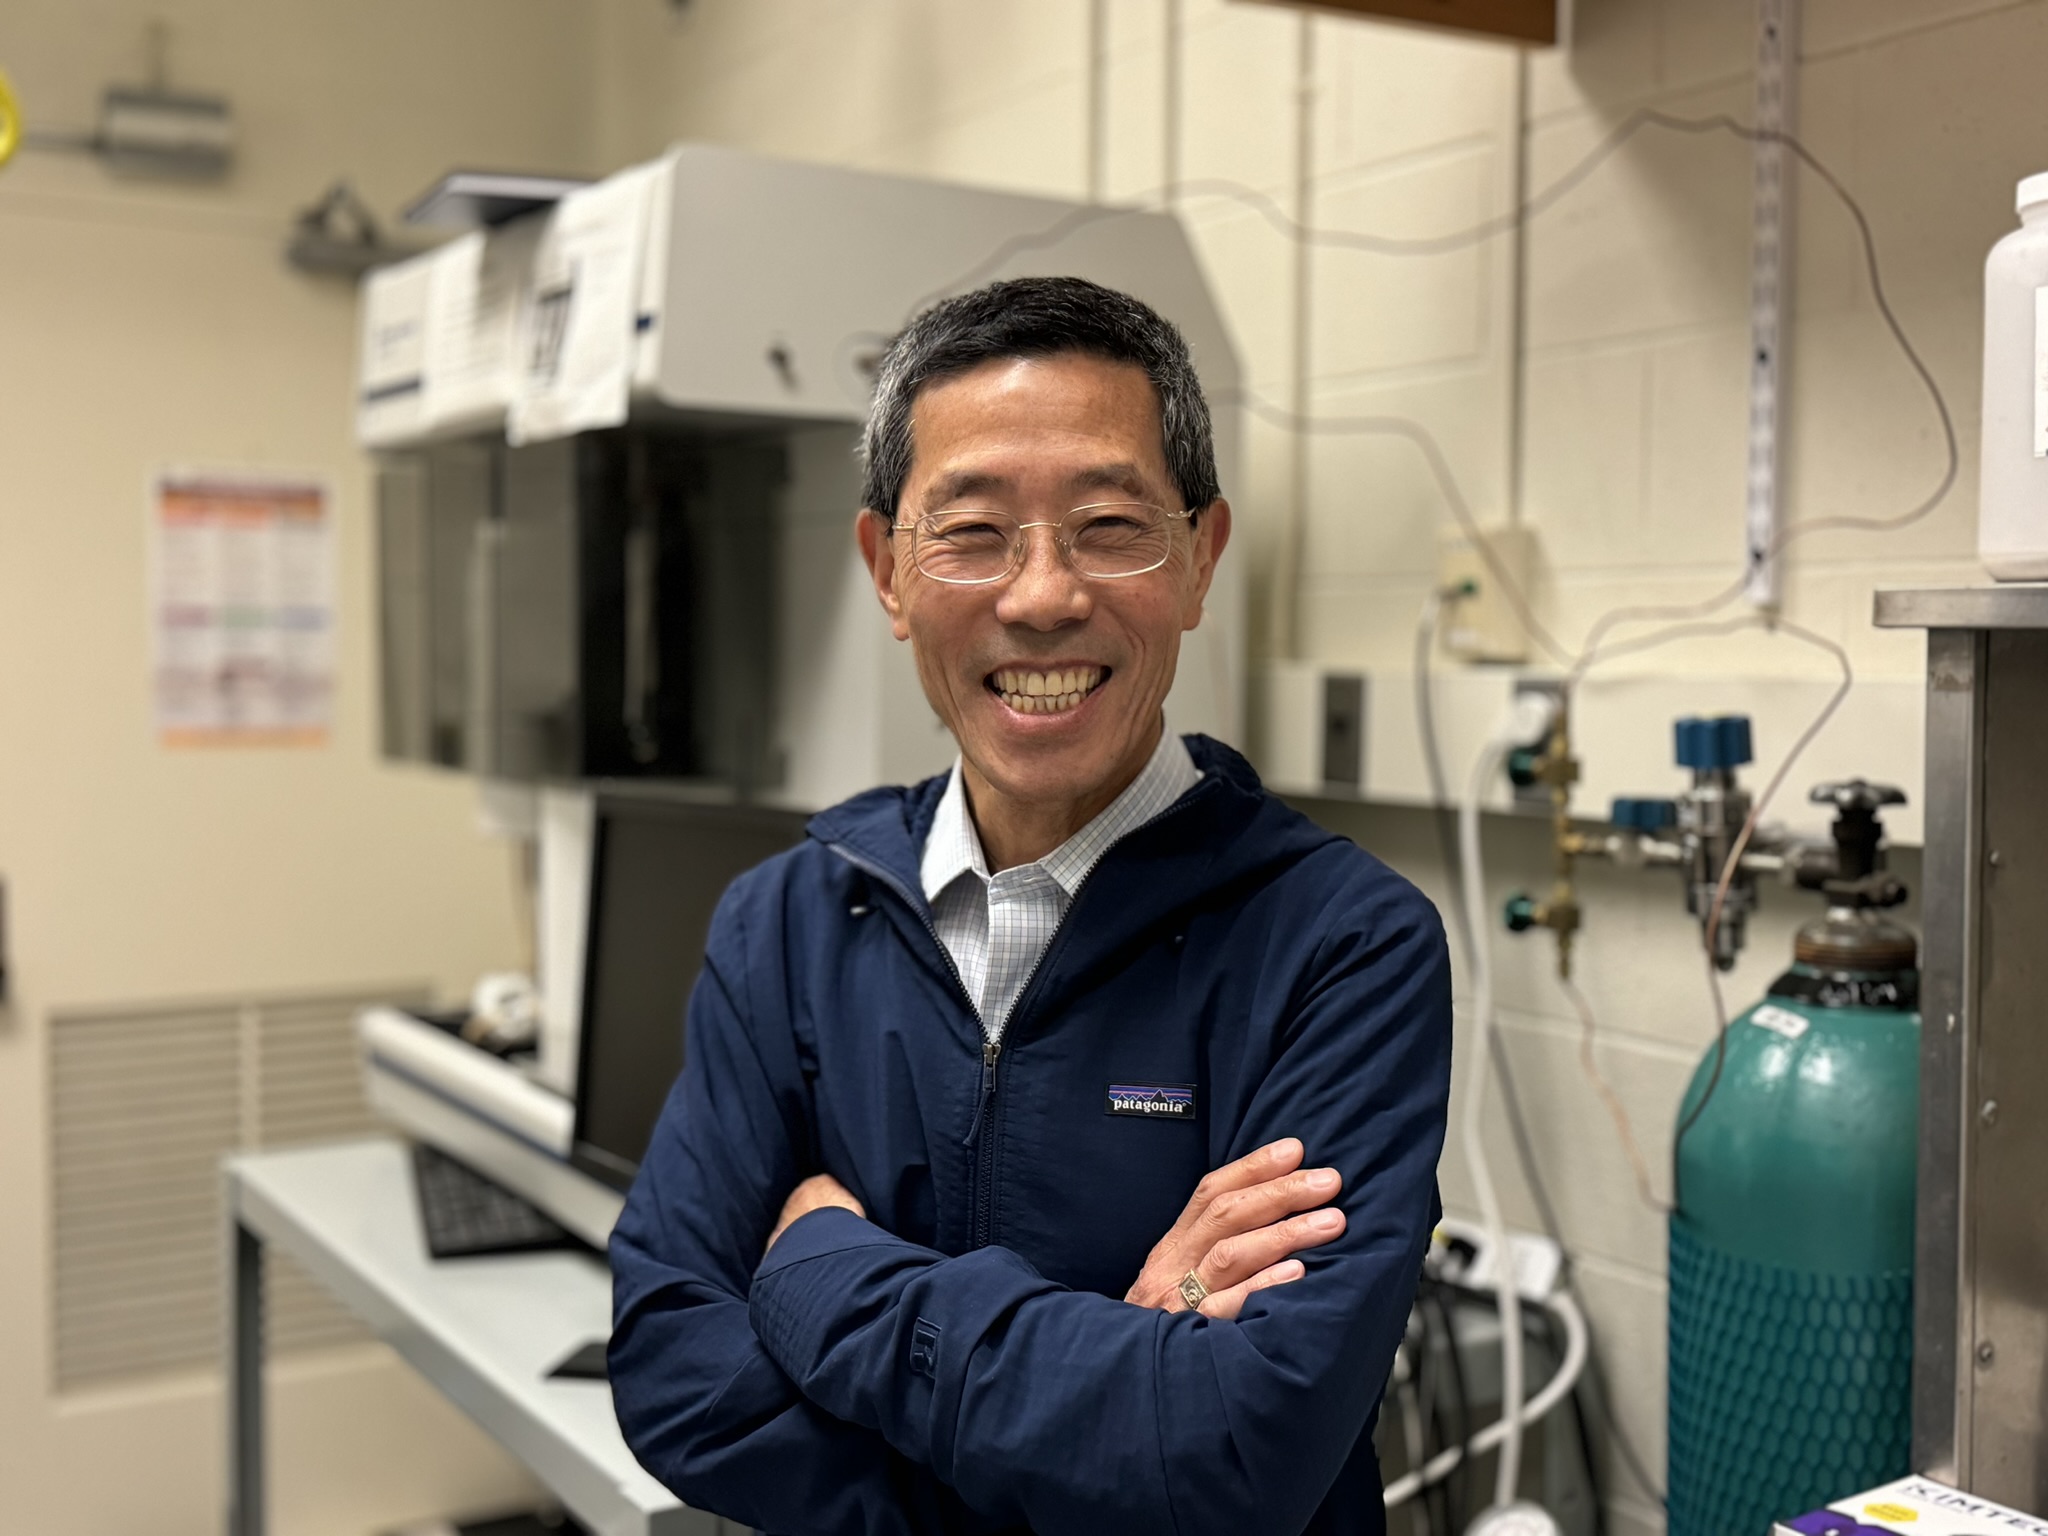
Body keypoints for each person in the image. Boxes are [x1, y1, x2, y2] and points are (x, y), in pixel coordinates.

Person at [609, 275, 1452, 1536]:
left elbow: (1238, 1453)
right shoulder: (786, 923)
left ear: (1198, 558)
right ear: (886, 571)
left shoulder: (1342, 946)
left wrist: (821, 1273)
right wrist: (1116, 1394)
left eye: (1110, 525)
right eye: (971, 531)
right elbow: (677, 1378)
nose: (1043, 594)